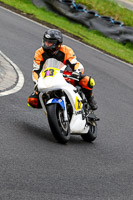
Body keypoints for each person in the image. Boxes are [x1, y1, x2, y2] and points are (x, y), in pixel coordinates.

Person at [28, 29, 98, 110]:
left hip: (66, 76)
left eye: (50, 42)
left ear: (58, 44)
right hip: (47, 78)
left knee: (87, 80)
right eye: (45, 41)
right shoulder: (39, 52)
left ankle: (90, 99)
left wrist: (77, 72)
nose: (47, 44)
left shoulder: (66, 50)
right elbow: (35, 71)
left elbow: (76, 64)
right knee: (32, 100)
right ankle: (52, 108)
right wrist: (37, 83)